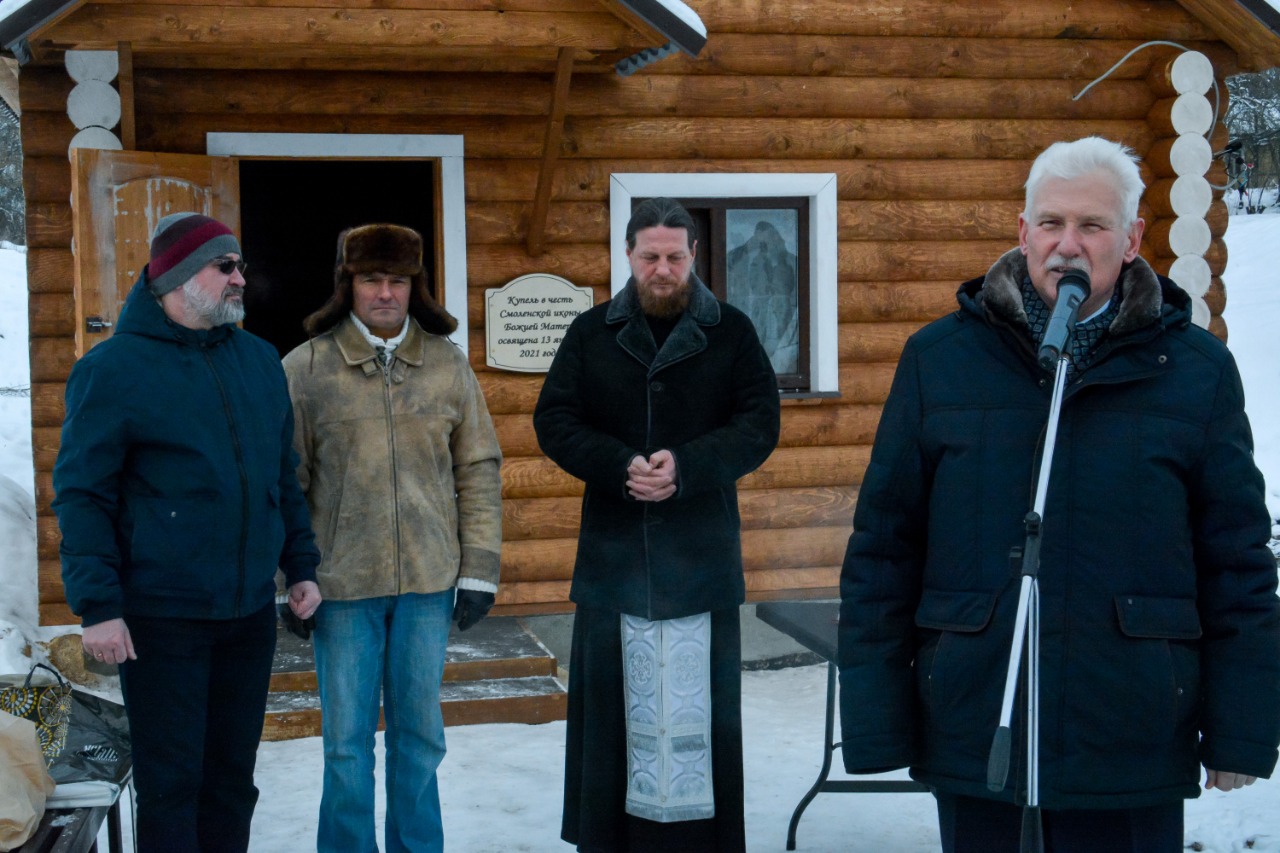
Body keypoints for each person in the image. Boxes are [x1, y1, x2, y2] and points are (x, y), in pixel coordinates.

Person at [837, 136, 1280, 852]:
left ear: (1131, 240)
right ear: (1024, 232)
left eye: (1092, 225)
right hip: (978, 729)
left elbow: (1238, 562)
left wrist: (1241, 728)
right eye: (1051, 222)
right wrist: (877, 720)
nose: (1067, 244)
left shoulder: (1195, 372)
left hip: (1132, 740)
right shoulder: (939, 361)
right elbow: (883, 551)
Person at [53, 212, 322, 852]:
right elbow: (84, 495)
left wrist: (301, 565)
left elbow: (280, 477)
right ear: (176, 277)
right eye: (224, 267)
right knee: (172, 784)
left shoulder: (259, 361)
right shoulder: (112, 370)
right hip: (162, 618)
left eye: (240, 266)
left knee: (232, 782)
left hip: (247, 614)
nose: (240, 278)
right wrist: (98, 606)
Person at [534, 197, 781, 852]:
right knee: (612, 734)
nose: (663, 269)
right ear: (628, 255)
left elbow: (759, 424)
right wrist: (619, 465)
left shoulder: (732, 331)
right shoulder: (591, 332)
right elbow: (554, 421)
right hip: (614, 564)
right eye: (650, 257)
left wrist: (689, 467)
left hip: (701, 563)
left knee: (703, 729)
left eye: (675, 256)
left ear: (694, 254)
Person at [283, 223, 503, 853]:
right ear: (347, 285)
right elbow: (285, 482)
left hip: (428, 585)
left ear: (415, 287)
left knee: (420, 739)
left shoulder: (446, 365)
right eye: (371, 279)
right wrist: (288, 576)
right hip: (341, 587)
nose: (385, 293)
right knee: (346, 744)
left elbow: (478, 469)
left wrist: (479, 569)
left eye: (398, 281)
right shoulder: (307, 367)